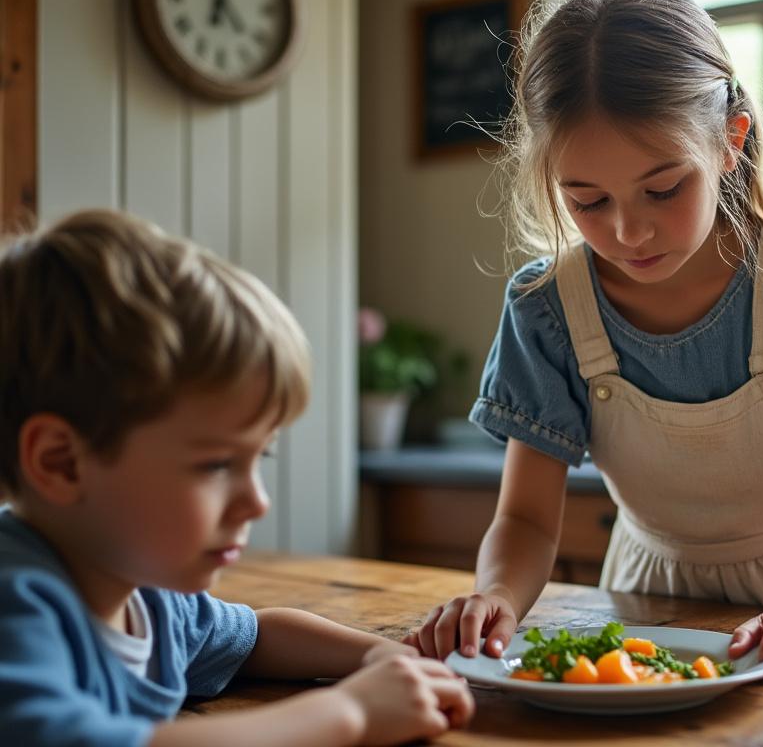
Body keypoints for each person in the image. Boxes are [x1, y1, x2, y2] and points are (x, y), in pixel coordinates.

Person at [411, 0, 763, 681]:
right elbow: (525, 519)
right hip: (644, 601)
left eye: (664, 188)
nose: (628, 230)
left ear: (729, 142)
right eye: (586, 200)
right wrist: (496, 594)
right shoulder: (546, 308)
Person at [0, 210, 474, 746]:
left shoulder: (144, 593)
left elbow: (257, 637)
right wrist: (349, 714)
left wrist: (383, 655)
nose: (257, 502)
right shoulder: (17, 602)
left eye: (260, 459)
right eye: (217, 465)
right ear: (60, 462)